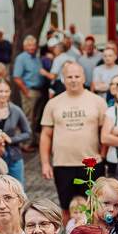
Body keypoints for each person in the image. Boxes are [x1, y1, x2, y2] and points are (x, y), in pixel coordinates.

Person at [41, 62, 108, 209]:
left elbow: (105, 132)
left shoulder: (98, 101)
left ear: (84, 78)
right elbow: (46, 134)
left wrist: (102, 155)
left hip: (91, 164)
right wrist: (45, 163)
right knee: (67, 208)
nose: (73, 80)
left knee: (94, 207)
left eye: (77, 76)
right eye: (69, 76)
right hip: (63, 164)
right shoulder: (53, 103)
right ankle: (68, 232)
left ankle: (94, 233)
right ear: (63, 79)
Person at [0, 79, 31, 185]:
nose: (4, 94)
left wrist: (11, 139)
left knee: (17, 189)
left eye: (6, 91)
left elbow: (28, 132)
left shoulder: (16, 110)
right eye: (0, 91)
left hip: (13, 157)